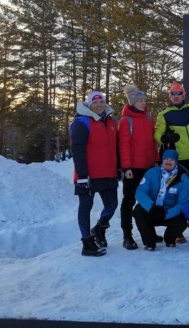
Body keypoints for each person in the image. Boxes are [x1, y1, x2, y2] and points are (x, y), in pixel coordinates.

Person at [70, 91, 118, 257]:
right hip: (88, 175)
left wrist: (118, 167)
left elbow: (115, 147)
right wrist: (82, 175)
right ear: (89, 104)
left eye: (101, 102)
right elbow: (77, 149)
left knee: (112, 205)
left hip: (109, 173)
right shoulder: (81, 123)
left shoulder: (111, 121)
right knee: (86, 207)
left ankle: (99, 228)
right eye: (95, 102)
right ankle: (87, 242)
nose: (99, 105)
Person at [118, 85, 159, 250]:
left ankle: (150, 231)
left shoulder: (149, 119)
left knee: (149, 200)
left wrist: (156, 160)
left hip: (149, 168)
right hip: (133, 169)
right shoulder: (125, 121)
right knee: (129, 201)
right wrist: (126, 167)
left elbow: (153, 143)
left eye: (144, 100)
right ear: (132, 102)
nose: (143, 103)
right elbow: (124, 145)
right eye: (140, 101)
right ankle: (127, 235)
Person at [133, 149, 189, 250]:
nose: (168, 162)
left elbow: (182, 203)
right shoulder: (152, 172)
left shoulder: (183, 179)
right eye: (166, 159)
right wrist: (151, 207)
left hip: (169, 212)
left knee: (182, 220)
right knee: (138, 211)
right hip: (152, 209)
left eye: (172, 160)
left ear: (176, 162)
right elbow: (140, 192)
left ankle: (170, 238)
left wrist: (166, 213)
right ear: (162, 160)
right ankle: (149, 242)